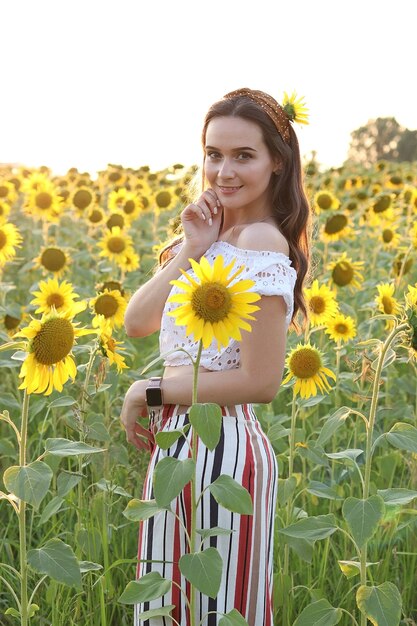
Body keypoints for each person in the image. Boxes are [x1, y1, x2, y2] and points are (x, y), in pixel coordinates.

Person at [120, 87, 312, 626]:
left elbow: (260, 381)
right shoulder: (220, 238)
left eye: (243, 155)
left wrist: (150, 390)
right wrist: (190, 249)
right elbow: (137, 322)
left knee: (215, 610)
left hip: (223, 445)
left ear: (277, 161)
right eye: (213, 154)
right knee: (165, 608)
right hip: (178, 444)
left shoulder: (260, 242)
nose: (223, 171)